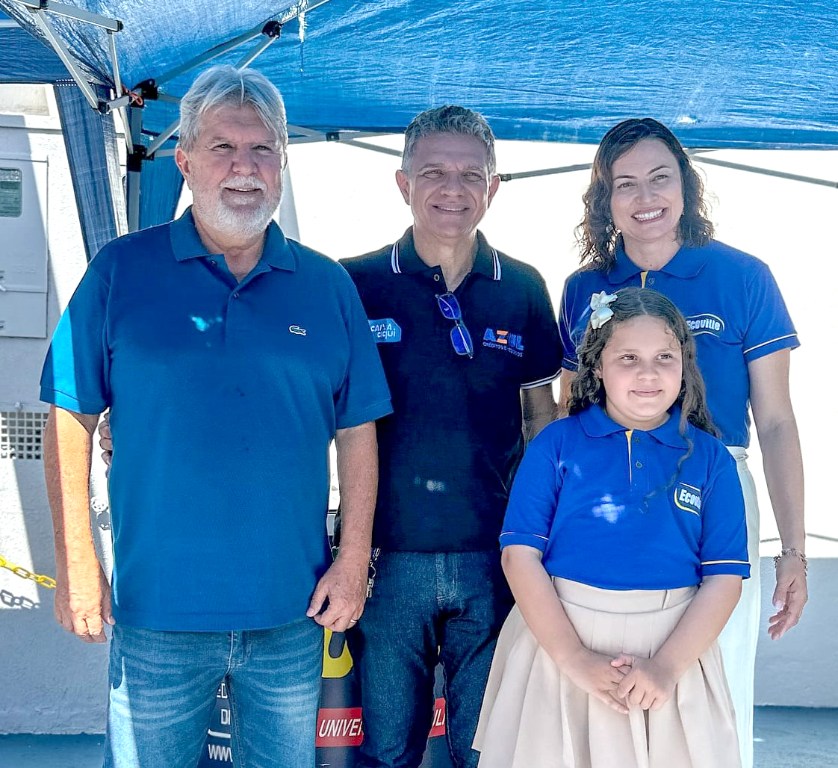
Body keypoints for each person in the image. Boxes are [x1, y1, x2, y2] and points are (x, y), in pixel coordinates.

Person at [40, 65, 392, 768]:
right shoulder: (120, 272)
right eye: (223, 148)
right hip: (155, 615)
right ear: (186, 162)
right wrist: (79, 561)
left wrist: (353, 560)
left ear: (283, 165)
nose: (244, 168)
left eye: (262, 149)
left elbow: (357, 429)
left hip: (292, 615)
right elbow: (70, 414)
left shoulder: (326, 286)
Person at [558, 118, 806, 768]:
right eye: (626, 183)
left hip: (715, 496)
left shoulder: (744, 277)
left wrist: (795, 553)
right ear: (604, 199)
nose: (646, 196)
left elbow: (777, 421)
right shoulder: (585, 290)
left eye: (660, 177)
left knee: (713, 678)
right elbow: (568, 416)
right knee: (613, 684)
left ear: (687, 187)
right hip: (606, 503)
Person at [340, 106, 562, 767]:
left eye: (471, 175)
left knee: (484, 746)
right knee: (386, 748)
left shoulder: (522, 287)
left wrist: (535, 533)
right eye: (434, 172)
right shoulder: (354, 282)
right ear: (403, 183)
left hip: (492, 557)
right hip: (386, 557)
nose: (452, 190)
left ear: (493, 188)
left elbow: (541, 419)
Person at [474, 287, 748, 768]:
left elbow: (723, 578)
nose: (648, 372)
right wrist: (574, 659)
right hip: (560, 645)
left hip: (673, 653)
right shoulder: (556, 446)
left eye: (665, 356)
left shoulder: (712, 460)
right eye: (628, 357)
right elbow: (520, 557)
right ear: (597, 367)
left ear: (684, 365)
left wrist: (666, 667)